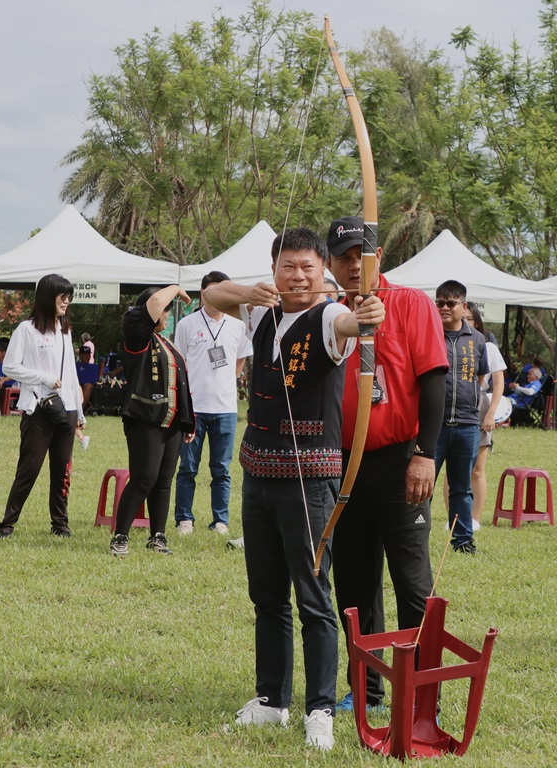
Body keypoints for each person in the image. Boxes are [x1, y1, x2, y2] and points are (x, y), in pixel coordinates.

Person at [205, 226, 385, 751]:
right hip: (260, 475)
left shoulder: (328, 317)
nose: (298, 276)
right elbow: (211, 292)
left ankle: (320, 708)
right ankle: (271, 701)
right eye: (288, 267)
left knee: (313, 598)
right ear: (275, 268)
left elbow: (350, 321)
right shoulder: (261, 311)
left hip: (310, 481)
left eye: (308, 267)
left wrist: (364, 317)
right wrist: (250, 293)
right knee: (267, 596)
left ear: (321, 271)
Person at [324, 216, 447, 714]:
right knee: (354, 584)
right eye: (344, 258)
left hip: (401, 462)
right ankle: (367, 691)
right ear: (330, 264)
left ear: (378, 259)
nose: (354, 266)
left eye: (362, 256)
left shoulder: (411, 304)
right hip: (345, 465)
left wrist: (424, 453)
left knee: (413, 582)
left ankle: (421, 696)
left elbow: (436, 382)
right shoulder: (327, 315)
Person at [109, 285, 196, 558]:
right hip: (144, 419)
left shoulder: (165, 342)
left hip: (171, 423)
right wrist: (178, 288)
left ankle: (157, 535)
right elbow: (156, 299)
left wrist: (187, 422)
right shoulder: (137, 335)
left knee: (163, 480)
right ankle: (120, 536)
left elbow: (181, 384)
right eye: (165, 309)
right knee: (143, 478)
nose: (167, 313)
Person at [0, 274, 84, 538]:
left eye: (69, 297)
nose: (66, 301)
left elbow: (71, 374)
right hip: (38, 409)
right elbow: (9, 367)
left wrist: (79, 412)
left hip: (65, 409)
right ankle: (7, 523)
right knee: (29, 469)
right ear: (48, 297)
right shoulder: (26, 329)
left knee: (62, 470)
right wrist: (43, 378)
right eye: (62, 296)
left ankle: (60, 523)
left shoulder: (65, 330)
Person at [172, 271, 252, 536]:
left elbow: (241, 356)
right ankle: (184, 518)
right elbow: (179, 363)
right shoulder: (187, 324)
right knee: (187, 467)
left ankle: (220, 520)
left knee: (221, 468)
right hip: (194, 408)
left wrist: (231, 378)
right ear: (203, 293)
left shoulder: (237, 325)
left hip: (226, 409)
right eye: (212, 291)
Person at [433, 280, 490, 553]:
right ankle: (413, 536)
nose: (444, 308)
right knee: (422, 486)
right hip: (434, 424)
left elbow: (479, 378)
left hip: (467, 423)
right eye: (440, 303)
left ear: (463, 306)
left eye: (450, 303)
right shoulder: (428, 333)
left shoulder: (478, 340)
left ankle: (464, 541)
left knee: (462, 487)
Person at [465, 301, 506, 531]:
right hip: (453, 404)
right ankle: (455, 517)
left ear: (477, 322)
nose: (464, 322)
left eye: (469, 318)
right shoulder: (447, 341)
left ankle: (474, 519)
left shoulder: (487, 346)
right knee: (453, 470)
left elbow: (498, 384)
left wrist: (491, 414)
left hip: (479, 403)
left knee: (476, 468)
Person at [75, 345, 100, 411]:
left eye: (88, 354)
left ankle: (80, 410)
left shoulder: (95, 367)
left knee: (88, 386)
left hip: (89, 387)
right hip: (76, 386)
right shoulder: (75, 365)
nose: (86, 356)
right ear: (80, 355)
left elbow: (100, 379)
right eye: (84, 354)